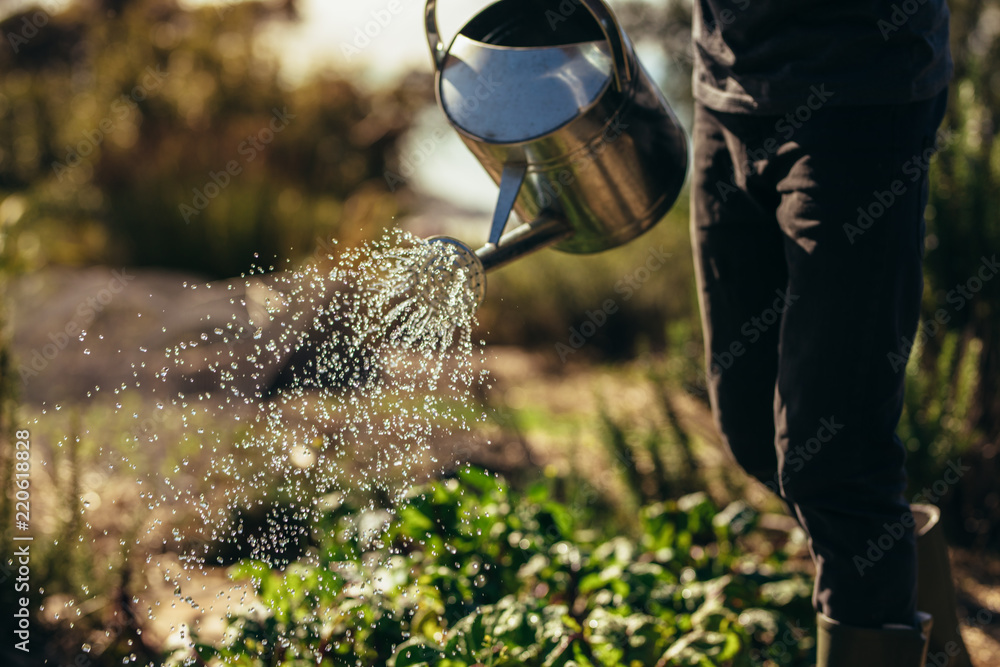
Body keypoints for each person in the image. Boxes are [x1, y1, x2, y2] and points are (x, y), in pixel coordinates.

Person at [687, 1, 972, 665]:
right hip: (728, 87)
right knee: (754, 425)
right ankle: (933, 642)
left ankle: (884, 625)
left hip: (860, 90)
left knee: (835, 454)